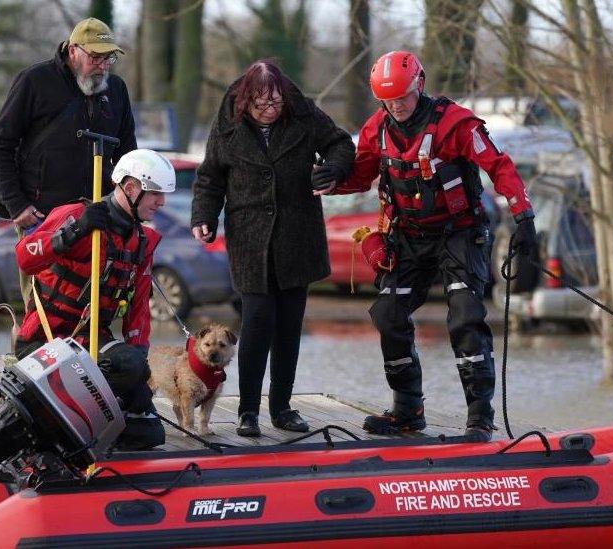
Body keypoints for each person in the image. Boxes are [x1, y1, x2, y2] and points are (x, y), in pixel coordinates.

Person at [333, 51, 537, 443]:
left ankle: (480, 416)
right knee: (388, 314)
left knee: (464, 317)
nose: (398, 108)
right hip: (407, 237)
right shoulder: (377, 128)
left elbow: (499, 167)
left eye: (404, 99)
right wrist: (329, 178)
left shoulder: (455, 124)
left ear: (419, 85)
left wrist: (523, 216)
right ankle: (408, 411)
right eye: (389, 102)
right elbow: (359, 176)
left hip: (459, 234)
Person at [191, 60, 355, 437]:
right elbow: (210, 176)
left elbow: (341, 144)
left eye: (276, 103)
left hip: (298, 236)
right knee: (257, 324)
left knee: (288, 329)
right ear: (245, 101)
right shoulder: (228, 124)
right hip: (249, 239)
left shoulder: (302, 113)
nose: (270, 110)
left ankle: (281, 408)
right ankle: (247, 411)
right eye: (261, 105)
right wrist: (203, 215)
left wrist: (333, 170)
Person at [13, 149, 175, 451]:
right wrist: (74, 233)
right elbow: (25, 258)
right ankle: (64, 425)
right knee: (127, 367)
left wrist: (141, 359)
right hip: (45, 343)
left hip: (92, 345)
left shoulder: (143, 242)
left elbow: (139, 308)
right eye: (155, 194)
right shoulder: (75, 216)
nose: (161, 202)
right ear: (130, 188)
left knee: (150, 433)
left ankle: (87, 426)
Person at [0, 17, 137, 302]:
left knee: (85, 305)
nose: (103, 65)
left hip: (96, 216)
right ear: (73, 51)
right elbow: (0, 145)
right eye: (95, 57)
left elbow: (127, 155)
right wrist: (18, 206)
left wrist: (129, 205)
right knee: (40, 305)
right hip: (42, 217)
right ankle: (27, 346)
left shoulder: (116, 90)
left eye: (109, 58)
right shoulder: (34, 81)